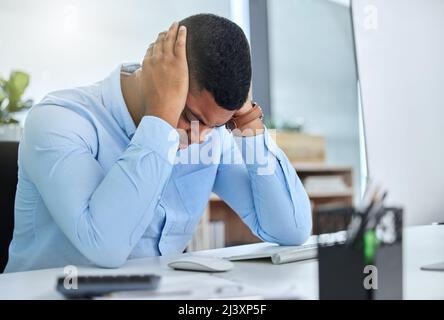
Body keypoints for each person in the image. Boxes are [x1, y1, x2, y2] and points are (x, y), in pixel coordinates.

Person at [5, 14, 311, 272]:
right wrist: (161, 118)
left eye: (217, 125)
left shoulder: (207, 132)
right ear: (157, 72)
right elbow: (105, 246)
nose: (201, 136)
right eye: (191, 116)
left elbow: (290, 229)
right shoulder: (59, 120)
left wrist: (247, 121)